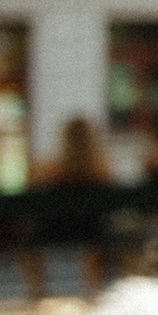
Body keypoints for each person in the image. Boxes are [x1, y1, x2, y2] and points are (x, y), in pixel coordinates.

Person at [18, 116, 114, 299]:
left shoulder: (52, 168)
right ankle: (93, 288)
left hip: (53, 230)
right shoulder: (99, 168)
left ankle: (38, 291)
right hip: (90, 230)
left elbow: (31, 183)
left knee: (26, 240)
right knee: (97, 239)